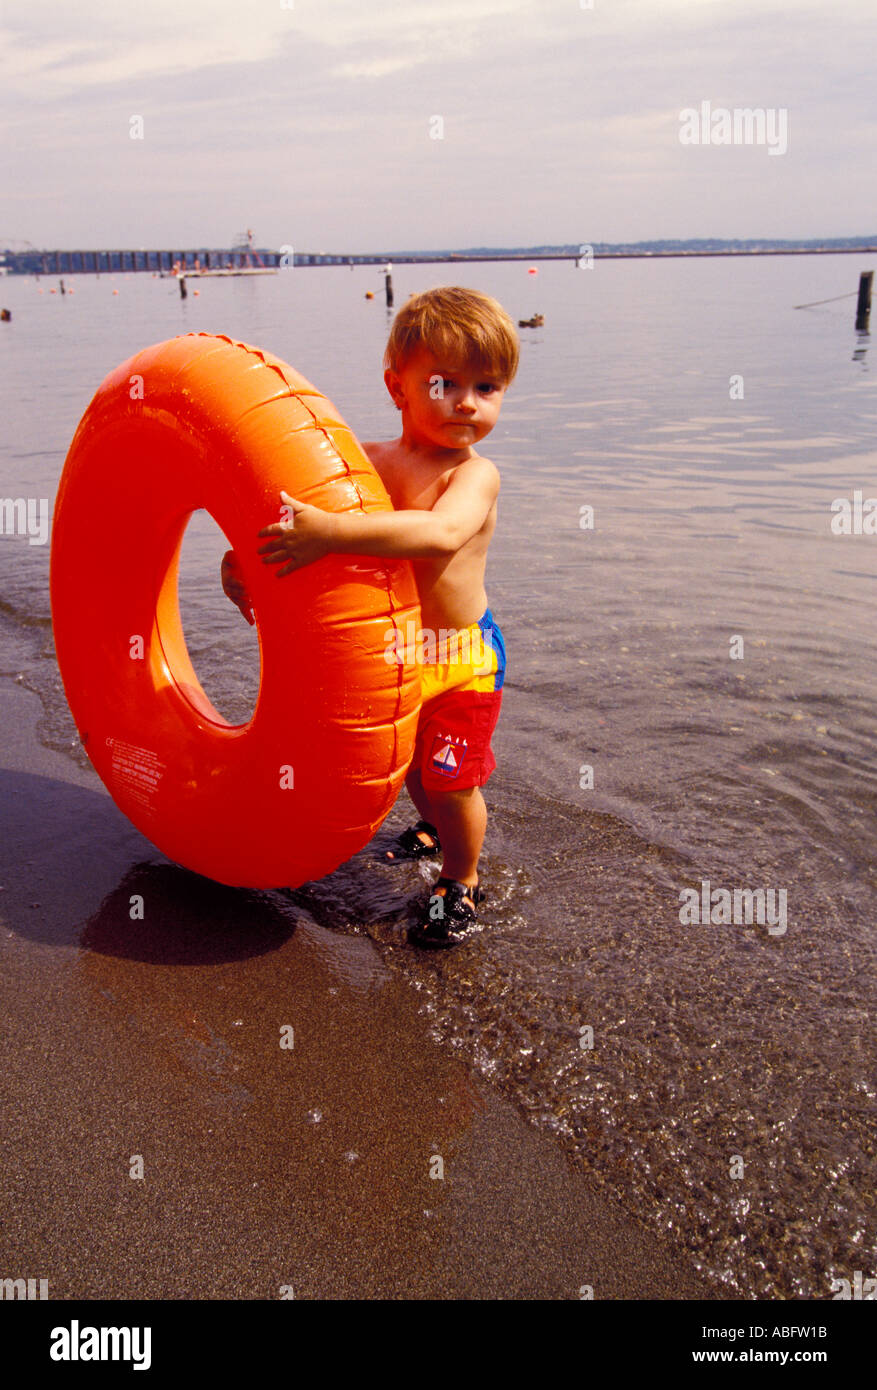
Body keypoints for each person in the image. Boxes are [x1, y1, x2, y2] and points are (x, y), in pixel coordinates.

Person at [221, 286, 518, 947]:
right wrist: (244, 559)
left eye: (488, 387)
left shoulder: (474, 477)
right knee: (411, 767)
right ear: (397, 387)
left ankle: (460, 880)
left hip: (462, 657)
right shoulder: (370, 465)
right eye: (445, 384)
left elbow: (439, 535)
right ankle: (430, 826)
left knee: (451, 779)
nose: (467, 402)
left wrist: (330, 533)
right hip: (399, 656)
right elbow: (289, 514)